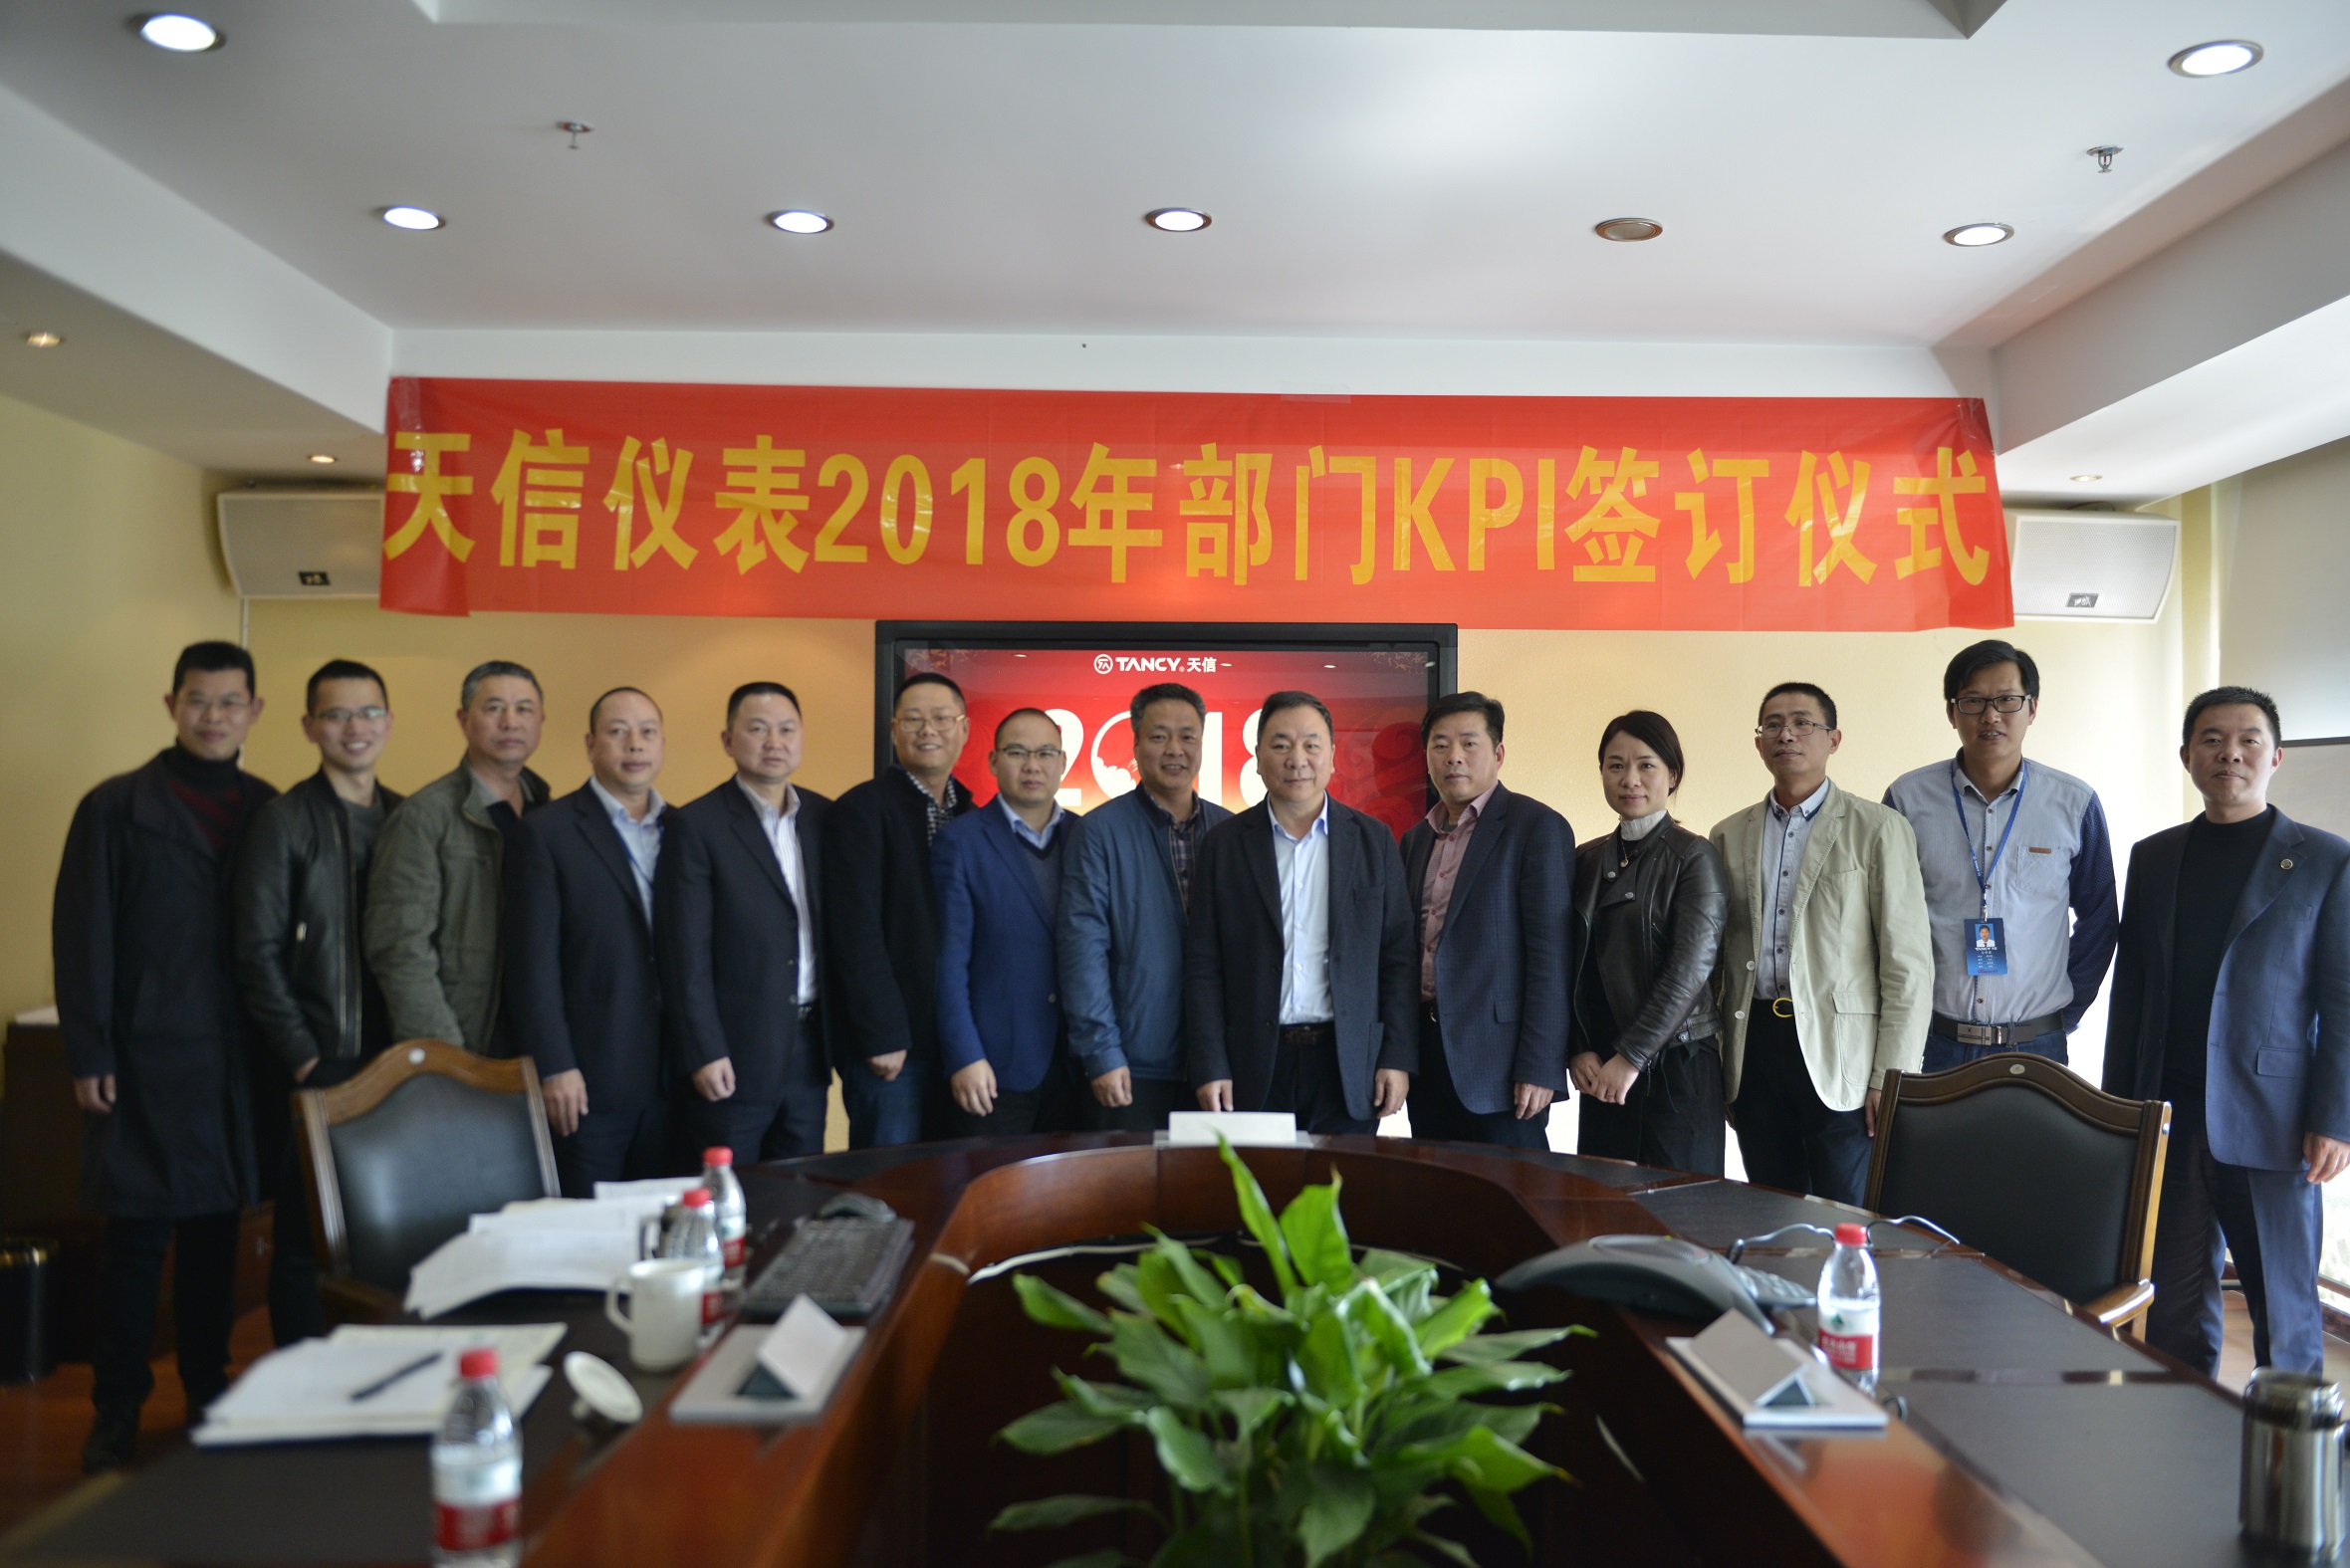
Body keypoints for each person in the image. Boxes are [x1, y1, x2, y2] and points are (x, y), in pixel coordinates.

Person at [56, 641, 278, 1472]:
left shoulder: (268, 807)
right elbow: (83, 935)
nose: (213, 716)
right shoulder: (115, 806)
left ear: (254, 711)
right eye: (198, 700)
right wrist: (88, 1048)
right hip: (144, 1058)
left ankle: (207, 1390)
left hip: (234, 1063)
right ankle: (115, 1409)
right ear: (172, 704)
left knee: (217, 1239)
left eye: (229, 701)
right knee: (135, 1243)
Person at [2105, 687, 2350, 1376]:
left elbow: (2342, 998)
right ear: (2187, 756)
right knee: (2170, 1313)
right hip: (2169, 1113)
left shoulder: (2326, 859)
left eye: (2248, 739)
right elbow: (2133, 991)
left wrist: (2335, 1118)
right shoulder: (2154, 857)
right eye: (2212, 739)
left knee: (2285, 1313)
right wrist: (2120, 1114)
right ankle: (2186, 1433)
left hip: (2276, 1120)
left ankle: (2289, 1441)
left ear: (2275, 757)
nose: (2230, 753)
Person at [231, 658, 401, 1345]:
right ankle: (301, 1377)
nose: (354, 727)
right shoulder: (283, 821)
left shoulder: (405, 816)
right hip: (321, 1060)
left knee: (387, 1227)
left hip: (397, 1063)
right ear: (309, 726)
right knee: (307, 1236)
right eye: (335, 714)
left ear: (388, 722)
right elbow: (255, 952)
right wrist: (304, 1057)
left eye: (367, 712)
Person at [1713, 682, 1933, 1205]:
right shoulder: (1728, 835)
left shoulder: (1878, 829)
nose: (1786, 734)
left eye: (1802, 723)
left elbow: (1907, 965)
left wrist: (1890, 1078)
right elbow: (1717, 962)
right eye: (1772, 725)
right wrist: (1722, 1062)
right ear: (1759, 743)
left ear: (1833, 739)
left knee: (1844, 1214)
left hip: (1843, 1054)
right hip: (1755, 1046)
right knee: (1769, 1208)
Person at [1185, 691, 1416, 1135]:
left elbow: (1398, 957)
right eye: (1281, 744)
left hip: (1348, 1065)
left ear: (1332, 756)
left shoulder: (1374, 840)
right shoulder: (1224, 845)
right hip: (1253, 1064)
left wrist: (1396, 1057)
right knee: (1257, 1181)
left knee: (1343, 1181)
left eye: (1311, 744)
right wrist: (1210, 1064)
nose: (1297, 759)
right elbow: (1203, 966)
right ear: (1257, 757)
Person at [1883, 640, 2118, 1072]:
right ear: (1952, 712)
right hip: (1933, 1041)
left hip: (2036, 1044)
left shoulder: (2075, 802)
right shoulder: (1907, 799)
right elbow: (1884, 917)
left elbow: (2100, 917)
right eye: (1973, 701)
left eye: (2007, 700)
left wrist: (2064, 1012)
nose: (1991, 716)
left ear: (2032, 708)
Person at [507, 689, 675, 1195]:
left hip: (677, 1081)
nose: (634, 744)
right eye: (617, 731)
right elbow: (532, 965)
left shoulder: (686, 828)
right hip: (590, 1080)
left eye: (647, 732)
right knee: (587, 1225)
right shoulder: (547, 832)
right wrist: (556, 1065)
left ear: (662, 743)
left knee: (667, 1224)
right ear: (590, 744)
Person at [658, 683, 833, 1166]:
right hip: (733, 1052)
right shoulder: (697, 825)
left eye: (786, 729)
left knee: (801, 1187)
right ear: (728, 740)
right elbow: (685, 953)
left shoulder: (824, 817)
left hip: (810, 1048)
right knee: (731, 1188)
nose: (774, 742)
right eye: (757, 729)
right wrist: (704, 1050)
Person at [1399, 692, 1572, 1149]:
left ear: (1498, 754)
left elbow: (1551, 957)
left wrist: (1540, 1066)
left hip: (1502, 1066)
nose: (1453, 756)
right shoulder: (1415, 840)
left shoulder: (1535, 826)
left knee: (1512, 1189)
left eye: (1468, 743)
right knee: (1437, 1185)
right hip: (1426, 1057)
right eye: (1440, 745)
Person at [1059, 683, 1233, 1132]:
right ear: (1136, 744)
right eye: (1159, 736)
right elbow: (1083, 950)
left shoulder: (1231, 832)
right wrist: (1101, 1052)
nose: (1175, 749)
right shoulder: (1099, 832)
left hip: (1219, 1065)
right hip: (1132, 1065)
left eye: (1187, 736)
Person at [1570, 711, 1731, 1175]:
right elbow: (1569, 966)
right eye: (1616, 766)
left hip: (1676, 1064)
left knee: (1676, 1209)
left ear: (1672, 775)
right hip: (1602, 1067)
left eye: (1646, 765)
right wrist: (1577, 1047)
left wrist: (1631, 1056)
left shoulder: (1693, 856)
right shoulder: (1586, 858)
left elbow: (1689, 970)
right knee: (1604, 1202)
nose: (1630, 780)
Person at [364, 661, 549, 1054]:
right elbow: (400, 949)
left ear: (541, 721)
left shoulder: (550, 815)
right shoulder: (424, 817)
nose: (511, 722)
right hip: (466, 1041)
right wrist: (446, 1057)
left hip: (538, 1046)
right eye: (494, 708)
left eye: (524, 709)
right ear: (464, 720)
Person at [825, 672, 975, 1147]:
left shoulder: (973, 815)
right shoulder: (861, 810)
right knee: (889, 1176)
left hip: (959, 1043)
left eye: (941, 718)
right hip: (893, 1048)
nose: (928, 730)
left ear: (964, 730)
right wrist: (882, 1034)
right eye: (913, 719)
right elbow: (854, 932)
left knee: (954, 1174)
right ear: (893, 731)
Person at [934, 709, 1082, 1136]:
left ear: (1063, 761)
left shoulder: (1087, 836)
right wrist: (964, 1055)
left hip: (1076, 1066)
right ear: (994, 761)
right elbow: (948, 963)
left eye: (1045, 753)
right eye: (1017, 752)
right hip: (994, 1067)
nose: (1032, 765)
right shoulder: (961, 842)